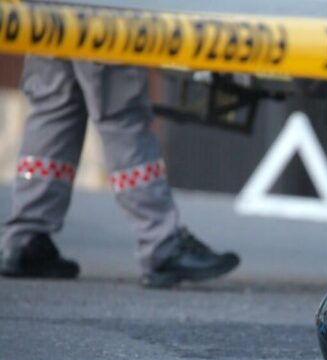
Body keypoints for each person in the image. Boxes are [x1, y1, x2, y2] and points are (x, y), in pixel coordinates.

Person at [0, 57, 239, 287]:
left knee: (55, 103)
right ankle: (162, 242)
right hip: (98, 20)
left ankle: (25, 239)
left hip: (49, 16)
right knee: (120, 108)